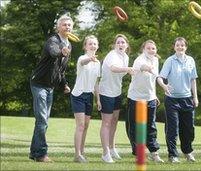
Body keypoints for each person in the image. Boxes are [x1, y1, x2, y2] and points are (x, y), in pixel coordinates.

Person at [29, 14, 74, 162]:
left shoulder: (69, 45)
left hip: (50, 87)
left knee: (43, 121)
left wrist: (64, 84)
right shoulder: (53, 40)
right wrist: (62, 52)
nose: (67, 27)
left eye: (69, 25)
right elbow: (54, 52)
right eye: (64, 25)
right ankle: (41, 154)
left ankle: (34, 153)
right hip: (39, 84)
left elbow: (60, 70)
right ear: (58, 27)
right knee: (42, 120)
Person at [157, 37, 199, 163]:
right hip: (172, 100)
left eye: (182, 45)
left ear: (186, 47)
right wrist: (164, 85)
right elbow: (160, 77)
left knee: (189, 129)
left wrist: (195, 97)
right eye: (177, 45)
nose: (180, 47)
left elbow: (193, 80)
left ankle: (187, 152)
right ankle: (173, 155)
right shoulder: (170, 61)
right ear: (174, 47)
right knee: (172, 129)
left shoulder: (191, 60)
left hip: (187, 99)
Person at [126, 40, 164, 163]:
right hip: (136, 98)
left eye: (153, 48)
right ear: (143, 49)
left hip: (150, 98)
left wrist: (155, 94)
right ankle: (140, 154)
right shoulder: (139, 60)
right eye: (148, 48)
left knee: (151, 126)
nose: (151, 50)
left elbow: (153, 79)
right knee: (135, 127)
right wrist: (147, 68)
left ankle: (154, 153)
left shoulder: (156, 60)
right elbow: (142, 67)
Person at [99, 34, 134, 163]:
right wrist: (128, 69)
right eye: (118, 42)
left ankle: (112, 148)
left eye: (123, 42)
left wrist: (128, 69)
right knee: (106, 123)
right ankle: (105, 152)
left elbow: (123, 72)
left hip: (116, 92)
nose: (120, 44)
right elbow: (113, 69)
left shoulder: (125, 57)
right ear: (114, 45)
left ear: (127, 45)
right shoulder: (111, 55)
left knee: (114, 121)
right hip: (106, 92)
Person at [71, 35, 101, 163]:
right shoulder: (82, 58)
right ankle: (77, 155)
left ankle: (82, 152)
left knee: (86, 125)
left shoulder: (98, 63)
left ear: (97, 46)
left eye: (95, 44)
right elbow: (83, 63)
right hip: (78, 95)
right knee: (81, 125)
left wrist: (98, 99)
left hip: (89, 95)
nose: (93, 46)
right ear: (85, 46)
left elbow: (96, 83)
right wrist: (90, 59)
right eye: (90, 44)